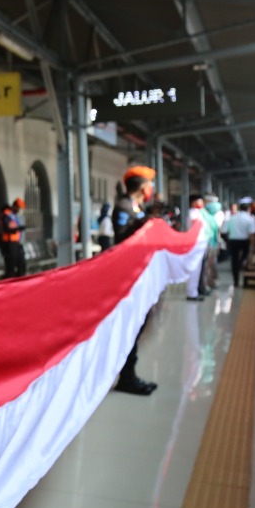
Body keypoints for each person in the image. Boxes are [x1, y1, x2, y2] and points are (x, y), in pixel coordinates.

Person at [109, 166, 158, 395]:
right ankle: (126, 378)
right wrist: (143, 223)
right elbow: (121, 237)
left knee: (138, 325)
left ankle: (130, 375)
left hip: (139, 272)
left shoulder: (137, 208)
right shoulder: (123, 207)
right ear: (142, 187)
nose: (151, 190)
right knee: (131, 325)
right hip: (126, 275)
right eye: (150, 185)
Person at [224, 200, 255, 287]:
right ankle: (241, 266)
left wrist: (229, 239)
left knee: (234, 260)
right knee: (244, 257)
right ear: (248, 209)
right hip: (244, 241)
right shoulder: (250, 219)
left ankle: (236, 280)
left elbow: (225, 231)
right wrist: (253, 245)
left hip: (233, 241)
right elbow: (252, 234)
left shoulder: (232, 218)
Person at [0, 199, 26, 278]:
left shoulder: (13, 215)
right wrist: (19, 228)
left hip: (15, 243)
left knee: (21, 264)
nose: (19, 210)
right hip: (9, 243)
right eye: (19, 208)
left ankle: (20, 279)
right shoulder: (7, 214)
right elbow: (9, 228)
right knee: (10, 266)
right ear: (15, 206)